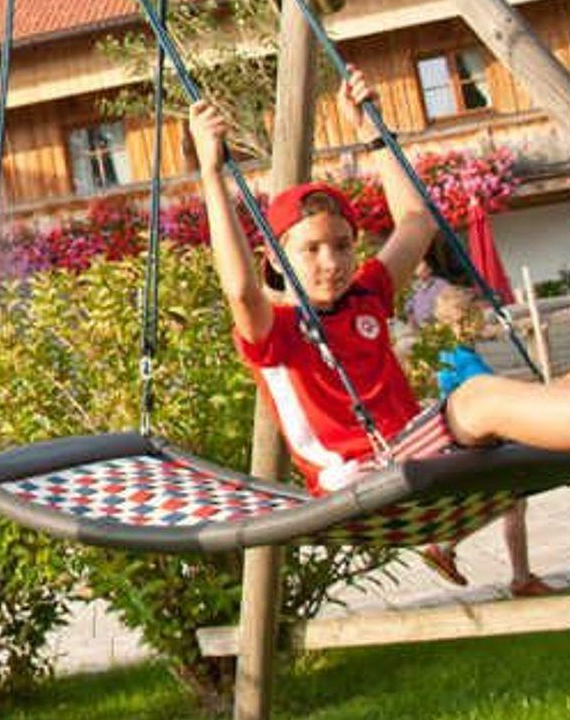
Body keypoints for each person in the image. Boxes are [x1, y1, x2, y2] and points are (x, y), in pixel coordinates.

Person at [188, 68, 570, 505]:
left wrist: (373, 135)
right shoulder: (275, 330)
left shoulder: (365, 296)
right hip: (360, 478)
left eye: (342, 245)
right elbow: (240, 290)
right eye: (311, 249)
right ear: (275, 258)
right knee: (478, 398)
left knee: (560, 388)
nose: (332, 263)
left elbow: (417, 222)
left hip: (418, 448)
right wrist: (211, 173)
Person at [414, 279, 558, 596]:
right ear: (466, 321)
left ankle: (448, 549)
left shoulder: (448, 354)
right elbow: (495, 395)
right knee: (511, 503)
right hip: (481, 443)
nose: (483, 323)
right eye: (478, 318)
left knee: (508, 504)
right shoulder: (465, 360)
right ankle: (520, 579)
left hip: (464, 442)